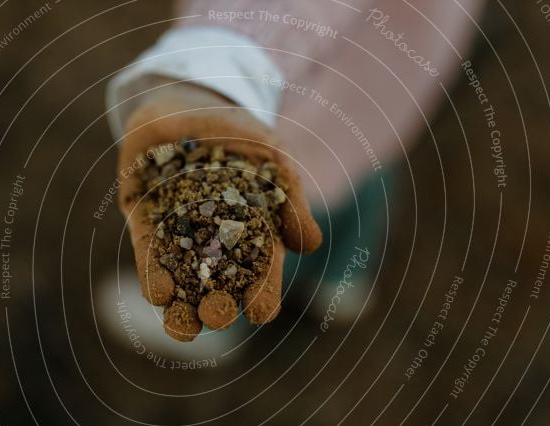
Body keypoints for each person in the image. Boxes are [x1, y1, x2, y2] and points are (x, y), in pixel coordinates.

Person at [100, 0, 485, 357]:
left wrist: (226, 60)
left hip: (304, 78)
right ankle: (344, 274)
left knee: (273, 208)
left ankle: (211, 317)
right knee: (363, 160)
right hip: (393, 68)